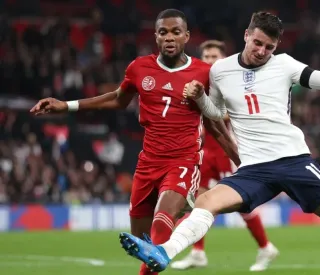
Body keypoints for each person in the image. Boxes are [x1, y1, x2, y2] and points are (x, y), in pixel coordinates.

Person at [119, 11, 320, 275]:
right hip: (254, 169)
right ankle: (164, 252)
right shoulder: (221, 71)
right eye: (258, 43)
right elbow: (215, 113)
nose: (262, 51)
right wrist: (202, 97)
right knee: (206, 201)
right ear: (246, 35)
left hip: (294, 161)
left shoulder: (285, 64)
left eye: (269, 47)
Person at [30, 9, 238, 275]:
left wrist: (245, 164)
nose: (169, 37)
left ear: (186, 36)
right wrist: (66, 106)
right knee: (143, 242)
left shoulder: (203, 73)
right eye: (163, 32)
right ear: (155, 36)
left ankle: (184, 208)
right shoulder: (140, 68)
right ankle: (180, 223)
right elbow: (118, 98)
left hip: (183, 161)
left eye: (176, 32)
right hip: (148, 163)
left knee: (162, 224)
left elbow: (216, 125)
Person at [170, 40, 278, 272]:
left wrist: (204, 106)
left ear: (223, 59)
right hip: (204, 150)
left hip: (224, 149)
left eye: (214, 56)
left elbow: (233, 113)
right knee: (199, 201)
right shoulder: (197, 82)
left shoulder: (231, 82)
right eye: (206, 56)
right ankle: (198, 253)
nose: (210, 60)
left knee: (239, 202)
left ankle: (265, 246)